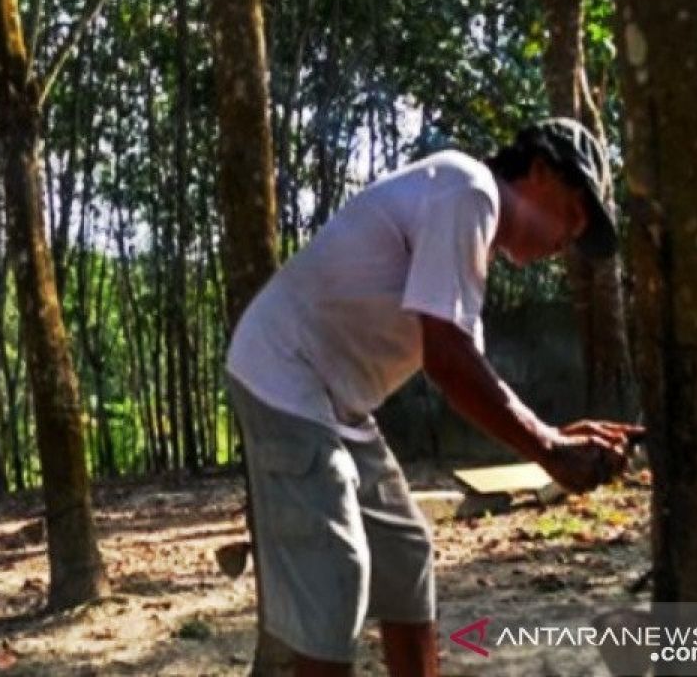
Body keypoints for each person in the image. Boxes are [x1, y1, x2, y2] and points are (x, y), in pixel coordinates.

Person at [225, 118, 643, 676]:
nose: (568, 239)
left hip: (338, 402)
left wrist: (556, 438)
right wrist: (548, 448)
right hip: (283, 373)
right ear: (540, 170)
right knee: (338, 570)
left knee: (404, 552)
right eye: (573, 215)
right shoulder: (467, 190)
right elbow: (448, 361)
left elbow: (466, 367)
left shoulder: (469, 226)